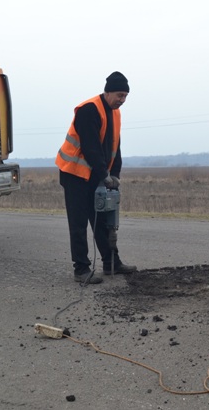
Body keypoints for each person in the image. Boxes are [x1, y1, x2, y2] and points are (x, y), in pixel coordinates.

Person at [56, 71, 137, 284]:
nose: (123, 100)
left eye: (126, 96)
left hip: (95, 174)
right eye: (120, 95)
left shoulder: (114, 113)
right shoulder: (89, 110)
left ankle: (112, 263)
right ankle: (81, 269)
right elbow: (91, 148)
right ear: (108, 91)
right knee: (79, 223)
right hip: (75, 173)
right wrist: (105, 175)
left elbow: (114, 147)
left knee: (103, 220)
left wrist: (115, 174)